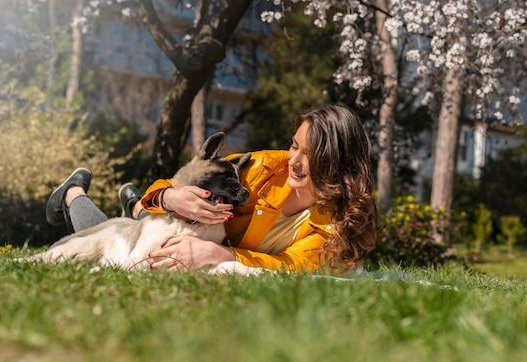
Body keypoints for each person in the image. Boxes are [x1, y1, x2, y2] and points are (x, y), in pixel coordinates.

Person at [46, 104, 378, 273]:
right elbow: (185, 178)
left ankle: (122, 201)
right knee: (116, 242)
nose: (294, 160)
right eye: (295, 146)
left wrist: (224, 254)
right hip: (179, 225)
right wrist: (169, 197)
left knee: (133, 225)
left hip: (202, 244)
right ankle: (76, 194)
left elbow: (291, 267)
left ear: (337, 163)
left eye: (311, 155)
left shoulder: (337, 223)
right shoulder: (260, 168)